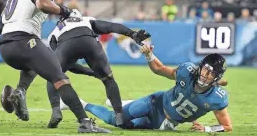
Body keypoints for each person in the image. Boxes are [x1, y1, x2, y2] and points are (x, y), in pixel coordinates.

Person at [0, 0, 110, 133]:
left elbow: (0, 27)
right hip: (24, 41)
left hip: (5, 47)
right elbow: (42, 3)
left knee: (32, 65)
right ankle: (85, 123)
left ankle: (20, 91)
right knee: (60, 79)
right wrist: (63, 10)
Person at [74, 45, 232, 132]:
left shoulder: (217, 97)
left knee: (126, 126)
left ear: (217, 77)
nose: (205, 74)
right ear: (200, 67)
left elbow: (227, 127)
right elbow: (160, 69)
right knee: (115, 119)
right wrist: (150, 56)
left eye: (211, 73)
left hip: (163, 122)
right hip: (155, 102)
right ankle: (80, 104)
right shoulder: (187, 71)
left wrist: (207, 129)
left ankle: (125, 104)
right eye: (205, 69)